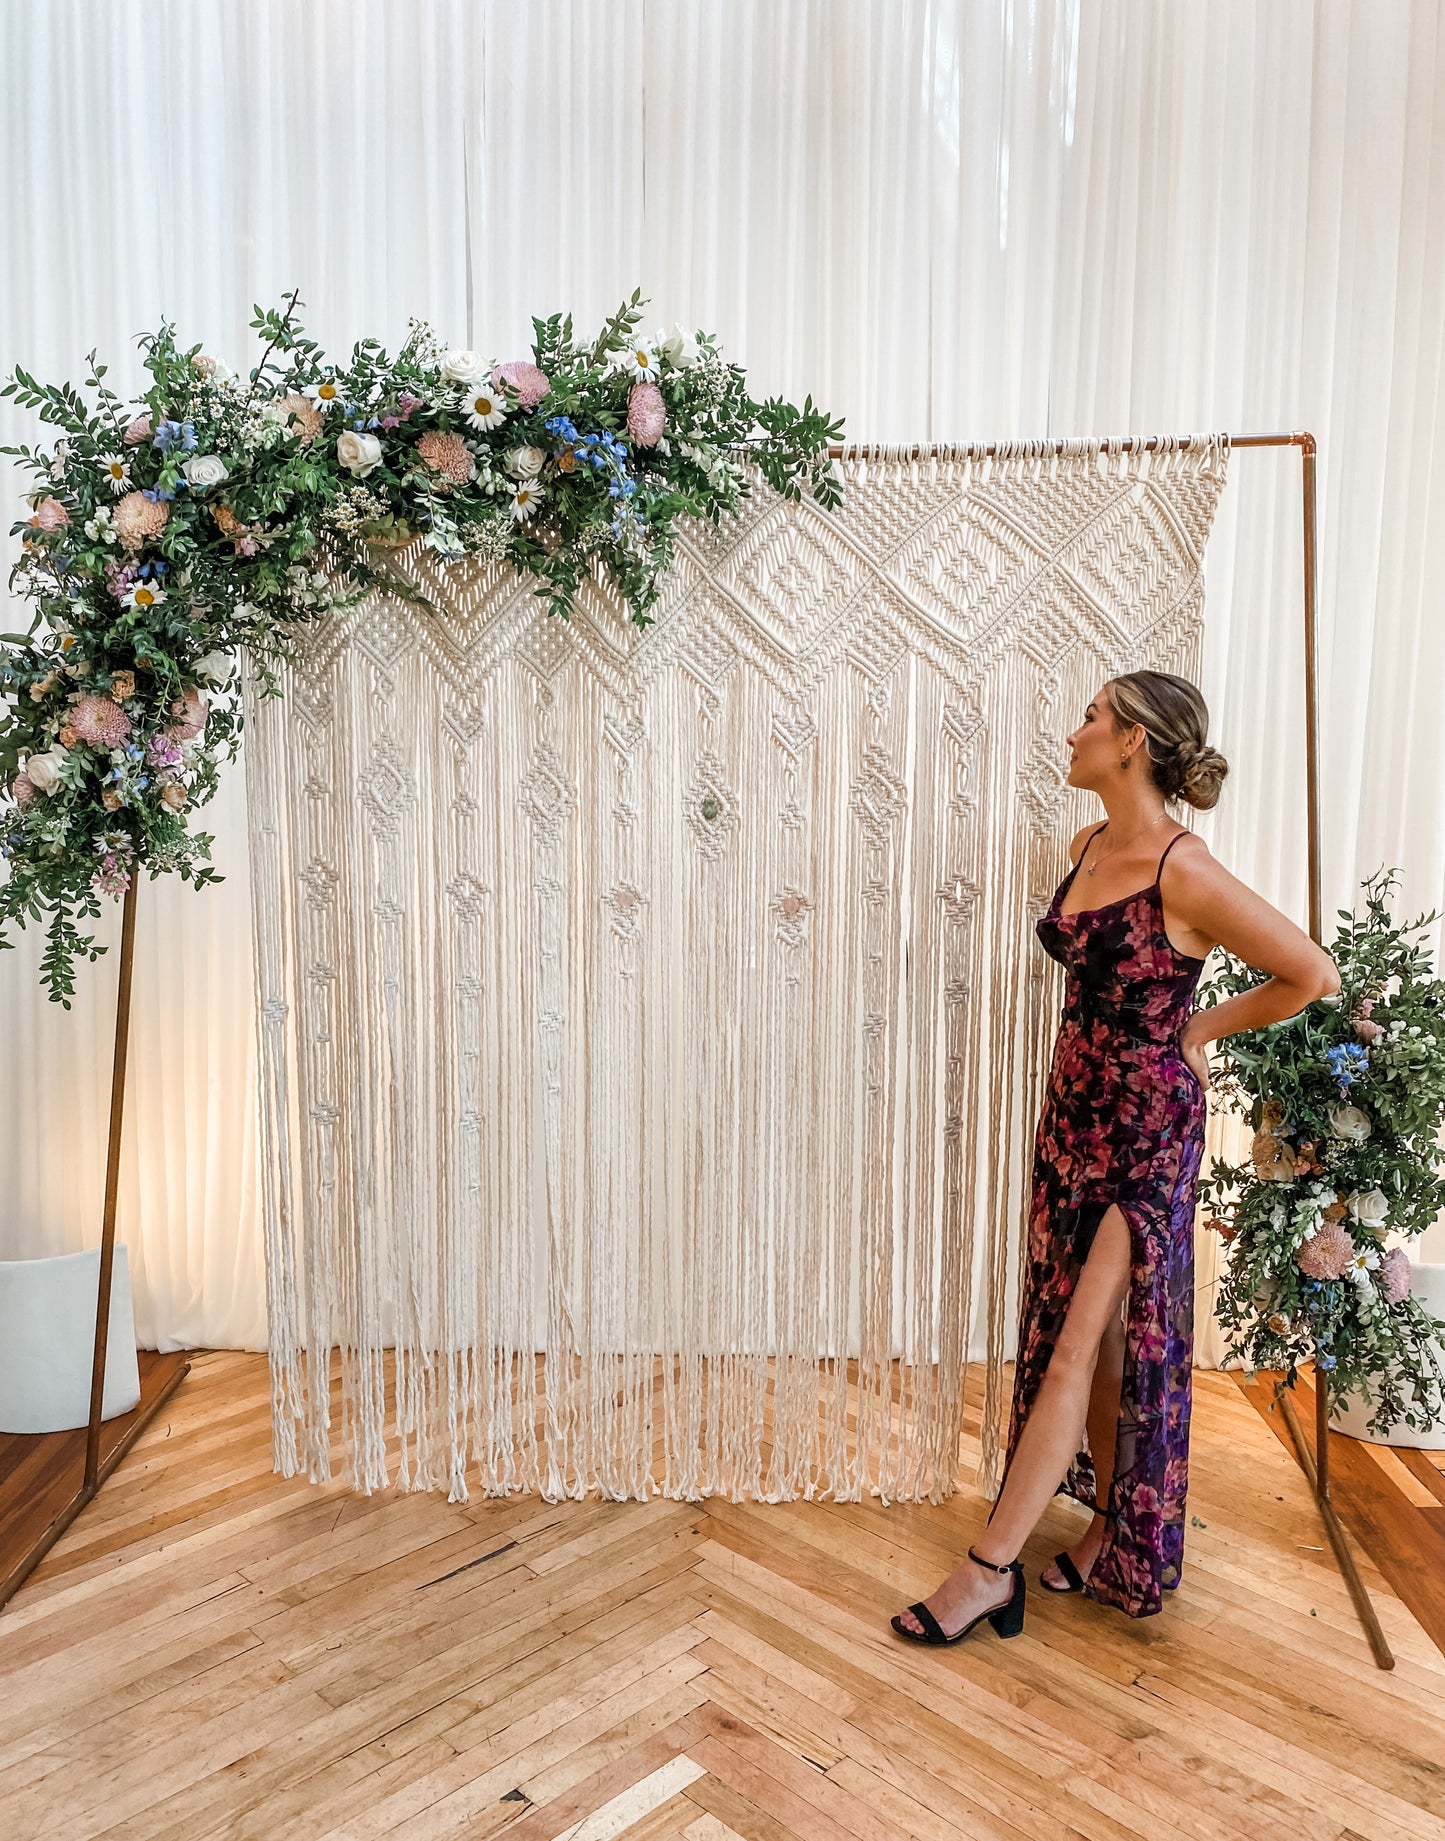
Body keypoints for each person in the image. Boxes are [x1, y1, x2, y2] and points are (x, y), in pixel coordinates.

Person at [892, 669, 1340, 1646]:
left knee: (1069, 1348)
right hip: (1070, 1120)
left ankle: (985, 1572)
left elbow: (1309, 971)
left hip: (1142, 1133)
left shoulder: (1185, 868)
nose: (1072, 730)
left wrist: (1200, 1027)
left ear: (1132, 738)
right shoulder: (1085, 844)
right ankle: (1103, 1533)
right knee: (1089, 1347)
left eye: (1090, 716)